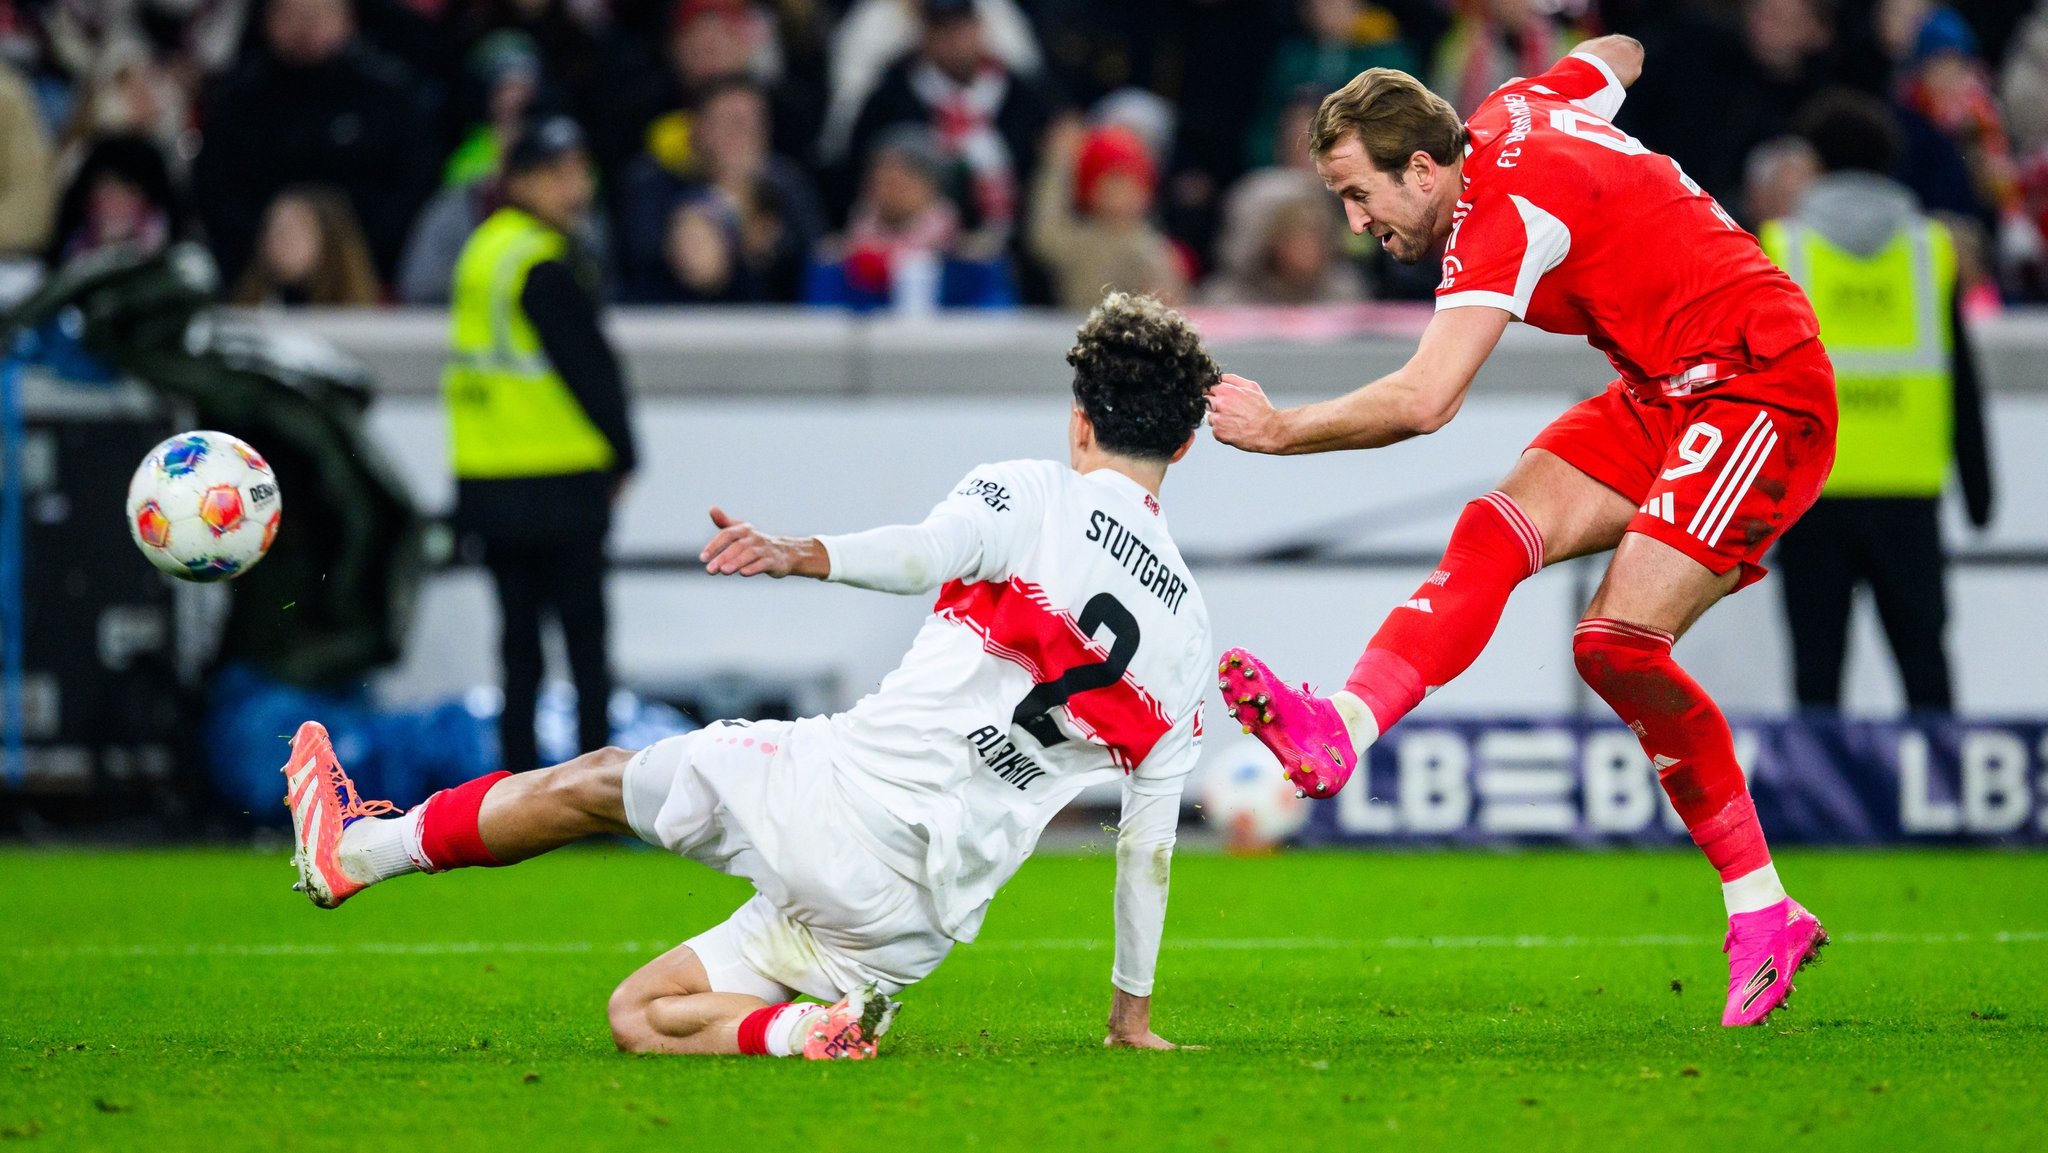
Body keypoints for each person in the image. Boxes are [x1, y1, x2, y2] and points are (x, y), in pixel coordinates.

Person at [282, 292, 1219, 1060]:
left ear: (1080, 419)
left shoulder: (1033, 491)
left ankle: (359, 853)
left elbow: (920, 552)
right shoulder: (1186, 631)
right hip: (913, 927)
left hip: (840, 804)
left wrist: (801, 552)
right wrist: (1128, 1018)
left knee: (599, 779)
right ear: (1183, 448)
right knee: (641, 1013)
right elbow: (1148, 850)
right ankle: (804, 1029)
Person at [1206, 40, 1838, 1028]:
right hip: (1661, 388)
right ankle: (1340, 726)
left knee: (1613, 646)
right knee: (1491, 531)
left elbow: (1424, 400)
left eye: (1357, 193)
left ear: (1422, 167)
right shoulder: (1513, 105)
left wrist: (1278, 429)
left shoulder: (1497, 210)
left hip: (1757, 389)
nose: (1352, 221)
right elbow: (1616, 55)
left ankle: (1761, 910)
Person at [1763, 91, 1994, 711]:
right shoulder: (1929, 250)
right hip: (1908, 496)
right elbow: (1961, 381)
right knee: (1926, 670)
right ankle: (1943, 800)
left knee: (1816, 676)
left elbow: (1748, 383)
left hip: (1811, 495)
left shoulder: (1784, 249)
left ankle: (1817, 807)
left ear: (1816, 163)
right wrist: (1978, 492)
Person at [443, 114, 636, 776]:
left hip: (491, 480)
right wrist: (624, 451)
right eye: (559, 174)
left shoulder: (484, 252)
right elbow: (591, 367)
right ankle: (591, 792)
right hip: (560, 478)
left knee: (517, 650)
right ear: (522, 180)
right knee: (586, 648)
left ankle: (516, 790)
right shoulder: (541, 259)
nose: (574, 188)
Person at [192, 0, 434, 282]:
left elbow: (414, 186)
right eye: (291, 14)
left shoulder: (388, 97)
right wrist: (275, 241)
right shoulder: (237, 102)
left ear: (348, 19)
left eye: (319, 14)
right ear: (266, 20)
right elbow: (216, 190)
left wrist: (342, 244)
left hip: (372, 274)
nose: (306, 27)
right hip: (254, 274)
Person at [1028, 119, 1185, 311]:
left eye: (1130, 184)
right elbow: (1044, 233)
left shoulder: (1154, 249)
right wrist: (1059, 164)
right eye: (1111, 184)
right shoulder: (1079, 242)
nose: (1122, 194)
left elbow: (1170, 304)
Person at [230, 186, 384, 307]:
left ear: (330, 241)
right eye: (273, 230)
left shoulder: (366, 317)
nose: (278, 240)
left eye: (294, 231)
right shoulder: (246, 308)